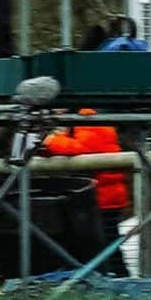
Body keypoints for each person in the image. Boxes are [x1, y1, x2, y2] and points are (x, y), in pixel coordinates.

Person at [42, 111, 132, 272]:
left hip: (103, 198)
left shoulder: (89, 118)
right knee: (93, 244)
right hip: (89, 197)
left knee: (105, 245)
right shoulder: (72, 123)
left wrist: (50, 140)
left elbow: (82, 147)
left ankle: (118, 279)